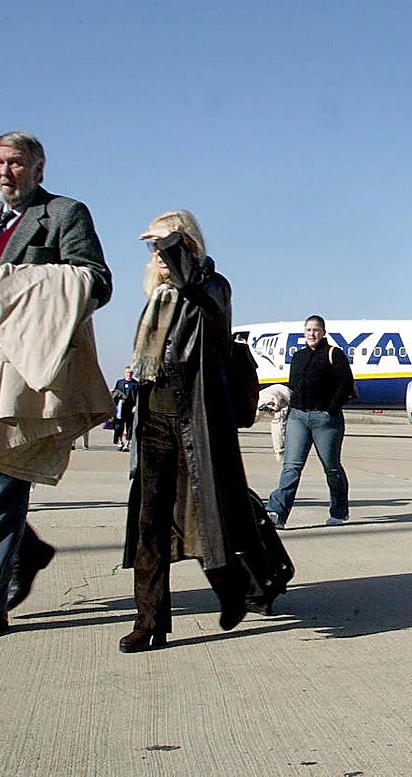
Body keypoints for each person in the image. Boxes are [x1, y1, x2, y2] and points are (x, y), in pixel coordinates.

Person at [0, 131, 111, 642]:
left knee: (6, 482)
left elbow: (97, 280)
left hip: (19, 371)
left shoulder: (64, 213)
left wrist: (22, 281)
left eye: (16, 163)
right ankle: (26, 550)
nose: (5, 171)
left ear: (38, 168)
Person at [121, 210, 293, 653]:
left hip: (195, 418)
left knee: (212, 515)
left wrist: (172, 246)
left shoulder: (213, 287)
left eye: (167, 243)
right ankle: (150, 620)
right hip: (155, 420)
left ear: (187, 244)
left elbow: (198, 289)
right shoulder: (157, 298)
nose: (157, 253)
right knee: (150, 522)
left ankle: (235, 585)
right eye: (153, 246)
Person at [265, 315, 356, 527]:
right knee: (291, 467)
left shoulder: (335, 354)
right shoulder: (298, 357)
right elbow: (294, 387)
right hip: (298, 417)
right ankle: (277, 512)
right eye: (308, 330)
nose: (312, 334)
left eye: (316, 330)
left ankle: (339, 511)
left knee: (331, 467)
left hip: (325, 420)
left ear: (323, 332)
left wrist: (331, 409)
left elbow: (346, 384)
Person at [257, 383, 292, 462]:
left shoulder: (283, 392)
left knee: (278, 419)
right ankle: (280, 450)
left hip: (278, 396)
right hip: (274, 397)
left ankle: (280, 450)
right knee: (278, 419)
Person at [112, 367, 138, 451]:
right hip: (120, 407)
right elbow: (115, 394)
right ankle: (120, 442)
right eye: (127, 372)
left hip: (130, 408)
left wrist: (135, 406)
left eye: (130, 373)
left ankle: (127, 444)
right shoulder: (119, 382)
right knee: (119, 426)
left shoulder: (135, 384)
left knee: (130, 426)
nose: (129, 374)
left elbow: (138, 397)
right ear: (124, 373)